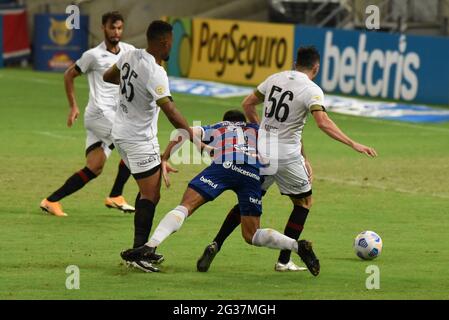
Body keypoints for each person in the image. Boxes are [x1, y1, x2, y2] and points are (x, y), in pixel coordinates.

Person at [196, 46, 378, 273]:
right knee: (303, 203)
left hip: (261, 152)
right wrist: (353, 143)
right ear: (316, 67)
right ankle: (284, 260)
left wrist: (260, 130)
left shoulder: (275, 78)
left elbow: (247, 104)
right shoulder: (312, 90)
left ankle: (216, 243)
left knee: (249, 197)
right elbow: (322, 122)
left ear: (295, 63)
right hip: (287, 157)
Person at [119, 110, 321, 276]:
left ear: (225, 121)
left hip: (223, 167)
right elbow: (288, 138)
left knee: (186, 206)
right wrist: (304, 159)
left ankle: (151, 245)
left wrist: (164, 158)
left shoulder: (218, 127)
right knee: (251, 235)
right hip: (250, 173)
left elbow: (182, 132)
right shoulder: (258, 129)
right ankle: (296, 246)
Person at [103, 20, 197, 271]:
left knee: (148, 191)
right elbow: (171, 111)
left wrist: (131, 89)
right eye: (171, 43)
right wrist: (191, 135)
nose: (171, 47)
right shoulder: (156, 72)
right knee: (151, 194)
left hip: (120, 133)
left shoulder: (130, 55)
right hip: (138, 139)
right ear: (165, 42)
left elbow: (108, 76)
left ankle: (140, 250)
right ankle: (139, 254)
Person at [40, 11, 135, 217]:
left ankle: (51, 201)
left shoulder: (129, 51)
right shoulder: (93, 55)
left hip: (113, 116)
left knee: (95, 167)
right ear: (103, 28)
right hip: (99, 114)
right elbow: (69, 75)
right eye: (112, 28)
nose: (116, 32)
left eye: (119, 28)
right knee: (132, 144)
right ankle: (116, 195)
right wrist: (73, 106)